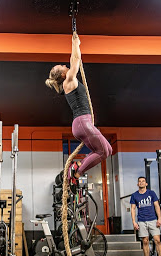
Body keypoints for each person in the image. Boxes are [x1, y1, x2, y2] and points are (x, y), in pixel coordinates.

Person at [45, 32, 112, 186]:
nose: (64, 65)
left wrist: (75, 43)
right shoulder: (68, 80)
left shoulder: (69, 81)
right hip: (82, 122)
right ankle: (75, 173)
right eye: (62, 66)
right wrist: (76, 44)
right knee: (102, 152)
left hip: (83, 123)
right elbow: (75, 59)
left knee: (107, 150)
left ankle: (77, 170)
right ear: (63, 74)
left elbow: (73, 59)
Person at [130, 177, 161, 256]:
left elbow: (157, 206)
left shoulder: (151, 193)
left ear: (146, 184)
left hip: (153, 220)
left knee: (157, 240)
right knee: (145, 241)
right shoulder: (134, 195)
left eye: (143, 181)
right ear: (137, 184)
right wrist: (134, 222)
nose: (141, 183)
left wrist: (159, 218)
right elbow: (132, 209)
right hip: (141, 221)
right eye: (139, 181)